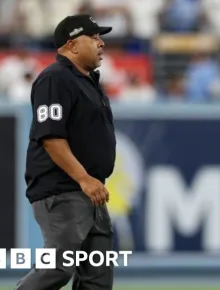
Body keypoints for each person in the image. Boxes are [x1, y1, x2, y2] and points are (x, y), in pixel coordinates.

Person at [16, 14, 116, 290]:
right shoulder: (55, 78)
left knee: (96, 280)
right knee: (58, 267)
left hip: (91, 191)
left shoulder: (88, 81)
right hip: (63, 188)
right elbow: (51, 138)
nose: (101, 43)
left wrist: (90, 182)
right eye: (94, 37)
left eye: (101, 37)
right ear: (72, 45)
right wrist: (84, 178)